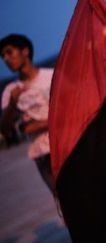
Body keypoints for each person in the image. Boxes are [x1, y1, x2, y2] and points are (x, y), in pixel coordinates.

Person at [0, 34, 54, 193]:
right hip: (43, 153)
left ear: (25, 51)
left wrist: (36, 125)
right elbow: (4, 129)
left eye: (9, 52)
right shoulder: (11, 91)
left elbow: (70, 110)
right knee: (63, 200)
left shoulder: (51, 76)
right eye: (3, 56)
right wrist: (12, 104)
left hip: (66, 144)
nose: (6, 59)